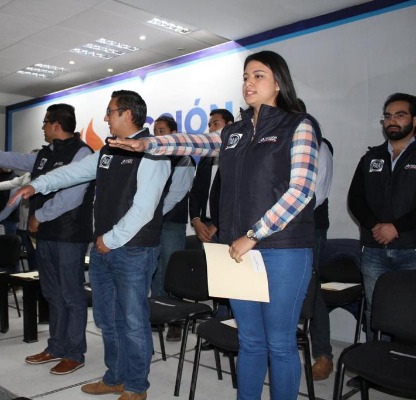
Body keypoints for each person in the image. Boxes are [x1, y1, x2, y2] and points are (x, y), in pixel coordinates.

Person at [108, 52, 320, 400]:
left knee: (280, 343)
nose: (249, 83)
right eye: (246, 76)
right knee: (249, 340)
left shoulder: (299, 125)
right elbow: (192, 141)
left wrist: (253, 234)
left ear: (279, 83)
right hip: (237, 250)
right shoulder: (235, 131)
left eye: (259, 76)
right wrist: (146, 144)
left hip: (282, 249)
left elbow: (301, 190)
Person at [11, 90, 170, 400]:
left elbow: (144, 209)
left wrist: (109, 239)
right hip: (104, 249)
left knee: (132, 320)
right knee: (107, 319)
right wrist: (37, 185)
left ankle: (136, 387)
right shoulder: (109, 149)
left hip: (133, 250)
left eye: (110, 112)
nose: (106, 117)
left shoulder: (153, 152)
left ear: (127, 114)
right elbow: (74, 172)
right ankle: (115, 377)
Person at [0, 103, 94, 375]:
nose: (43, 127)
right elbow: (17, 160)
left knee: (71, 295)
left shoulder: (82, 152)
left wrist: (39, 215)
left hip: (69, 234)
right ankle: (56, 346)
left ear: (56, 124)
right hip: (46, 234)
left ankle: (74, 353)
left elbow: (73, 196)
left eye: (45, 122)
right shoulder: (46, 153)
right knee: (52, 292)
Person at [348, 92, 416, 341]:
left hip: (411, 250)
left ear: (414, 120)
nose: (392, 121)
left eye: (400, 115)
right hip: (374, 250)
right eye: (387, 116)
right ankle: (374, 364)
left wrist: (396, 227)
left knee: (409, 316)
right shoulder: (371, 157)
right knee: (375, 313)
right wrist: (375, 226)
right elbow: (355, 199)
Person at [297, 99, 336, 380]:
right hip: (277, 232)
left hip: (309, 228)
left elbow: (316, 196)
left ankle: (323, 354)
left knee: (312, 290)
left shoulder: (319, 145)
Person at [150, 115, 195, 342]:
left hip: (171, 223)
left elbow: (176, 193)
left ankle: (176, 321)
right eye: (155, 130)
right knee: (156, 270)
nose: (157, 134)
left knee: (172, 270)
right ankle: (158, 315)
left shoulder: (184, 158)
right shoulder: (153, 157)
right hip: (153, 222)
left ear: (174, 133)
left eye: (162, 130)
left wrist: (153, 215)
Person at [188, 109, 234, 243]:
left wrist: (217, 224)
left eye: (216, 124)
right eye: (209, 125)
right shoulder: (206, 157)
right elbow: (196, 191)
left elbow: (236, 195)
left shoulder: (236, 156)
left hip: (228, 227)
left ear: (230, 125)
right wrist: (196, 220)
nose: (211, 129)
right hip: (205, 227)